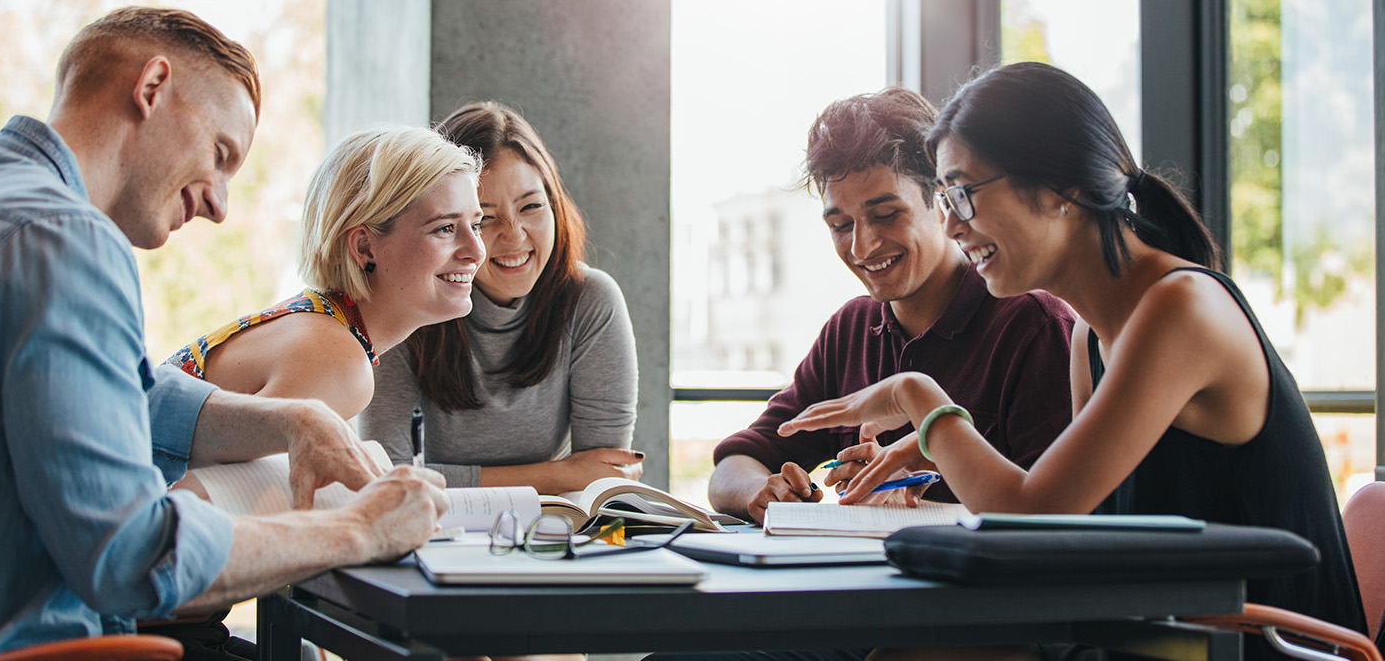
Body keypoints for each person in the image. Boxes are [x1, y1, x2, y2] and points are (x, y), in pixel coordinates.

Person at [783, 62, 1366, 661]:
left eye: (963, 193)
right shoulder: (1090, 335)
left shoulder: (1179, 309)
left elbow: (1030, 515)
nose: (952, 224)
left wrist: (920, 400)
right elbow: (1065, 533)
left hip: (1257, 648)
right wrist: (936, 449)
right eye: (944, 197)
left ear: (1064, 189)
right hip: (1161, 638)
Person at [0, 7, 450, 658]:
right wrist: (360, 528)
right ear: (152, 89)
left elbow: (127, 400)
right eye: (221, 155)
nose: (220, 205)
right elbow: (131, 553)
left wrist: (293, 420)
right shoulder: (63, 238)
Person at [707, 87, 1077, 523]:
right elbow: (734, 465)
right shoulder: (850, 330)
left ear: (942, 202)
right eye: (841, 225)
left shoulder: (1033, 325)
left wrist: (922, 477)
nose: (862, 246)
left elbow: (1053, 514)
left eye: (885, 215)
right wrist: (760, 490)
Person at [359, 101, 642, 495]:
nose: (514, 236)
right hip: (432, 534)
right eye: (484, 218)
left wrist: (573, 477)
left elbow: (601, 476)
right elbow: (388, 477)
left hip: (552, 534)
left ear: (556, 205)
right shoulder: (405, 303)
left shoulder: (590, 301)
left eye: (531, 206)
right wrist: (557, 475)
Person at [165, 124, 486, 423]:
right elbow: (203, 484)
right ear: (364, 247)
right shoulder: (338, 363)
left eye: (476, 225)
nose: (477, 251)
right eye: (445, 228)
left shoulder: (323, 325)